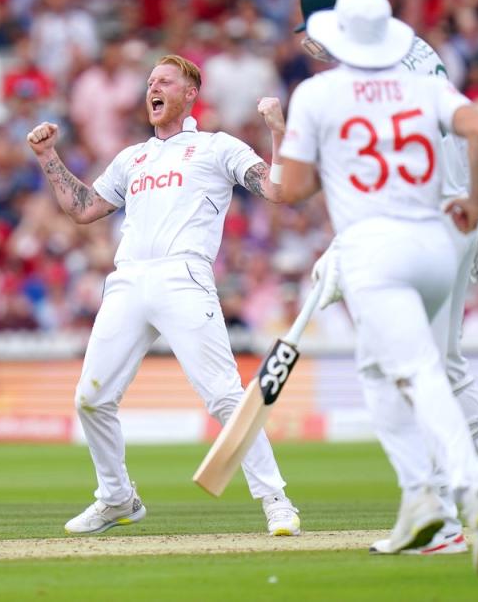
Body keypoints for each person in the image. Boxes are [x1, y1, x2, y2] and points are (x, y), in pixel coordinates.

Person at [292, 0, 478, 553]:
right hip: (452, 224)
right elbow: (476, 131)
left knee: (413, 371)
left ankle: (455, 509)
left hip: (401, 230)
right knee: (438, 365)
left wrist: (343, 241)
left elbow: (311, 178)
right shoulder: (418, 60)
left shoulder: (332, 89)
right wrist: (476, 207)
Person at [26, 55, 301, 537]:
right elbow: (85, 208)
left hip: (184, 276)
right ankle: (116, 498)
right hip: (128, 279)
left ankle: (276, 500)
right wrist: (49, 158)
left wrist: (278, 130)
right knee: (91, 399)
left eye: (165, 81)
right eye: (150, 82)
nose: (153, 88)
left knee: (223, 396)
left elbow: (277, 191)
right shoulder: (132, 157)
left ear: (190, 93)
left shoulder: (217, 147)